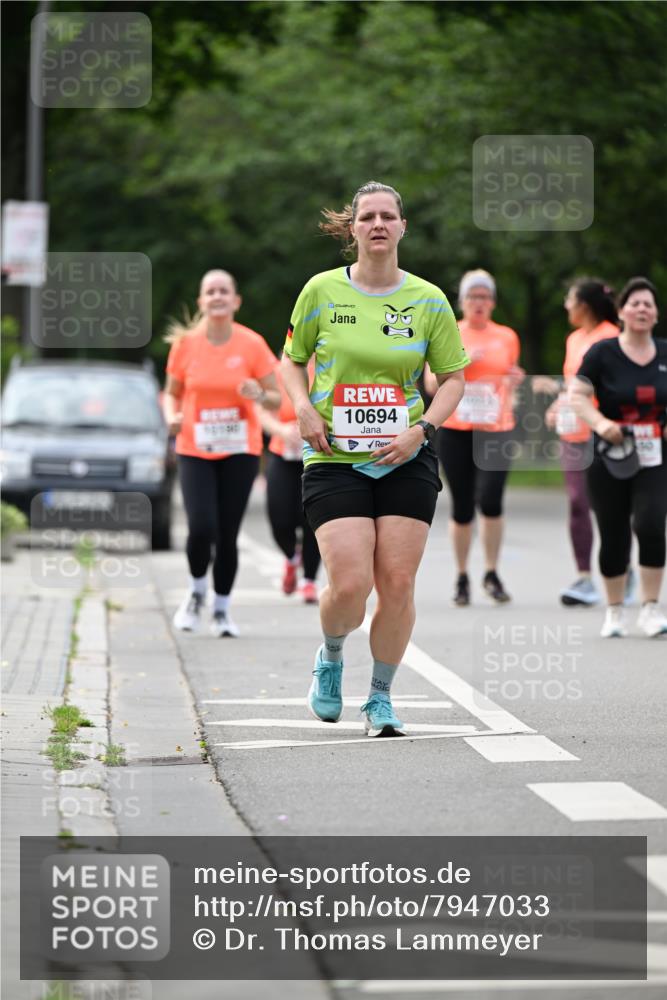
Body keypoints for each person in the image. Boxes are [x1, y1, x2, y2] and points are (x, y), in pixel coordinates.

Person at [281, 180, 469, 737]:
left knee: (398, 581)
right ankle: (332, 655)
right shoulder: (320, 291)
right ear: (354, 228)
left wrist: (424, 428)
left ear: (402, 227)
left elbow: (455, 379)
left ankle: (381, 696)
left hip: (405, 455)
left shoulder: (429, 300)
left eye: (389, 216)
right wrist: (302, 409)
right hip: (333, 456)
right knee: (349, 584)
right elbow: (289, 362)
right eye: (369, 217)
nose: (379, 224)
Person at [163, 269, 280, 636]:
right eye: (210, 291)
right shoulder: (185, 345)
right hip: (194, 448)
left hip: (239, 449)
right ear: (201, 301)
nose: (217, 296)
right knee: (201, 527)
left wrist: (258, 394)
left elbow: (277, 396)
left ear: (235, 301)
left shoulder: (252, 344)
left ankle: (222, 610)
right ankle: (197, 592)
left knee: (227, 532)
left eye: (224, 291)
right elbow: (171, 392)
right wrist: (172, 417)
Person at [570, 277, 667, 638]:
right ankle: (614, 611)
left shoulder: (664, 352)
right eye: (635, 303)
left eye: (649, 304)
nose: (642, 309)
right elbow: (577, 394)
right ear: (622, 311)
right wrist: (601, 423)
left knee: (651, 523)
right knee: (613, 533)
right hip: (609, 454)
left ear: (656, 315)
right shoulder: (602, 352)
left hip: (655, 454)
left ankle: (651, 608)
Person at [424, 269, 524, 606]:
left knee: (492, 500)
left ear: (492, 302)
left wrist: (514, 378)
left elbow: (510, 373)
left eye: (484, 296)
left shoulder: (507, 336)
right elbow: (430, 384)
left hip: (496, 427)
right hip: (455, 428)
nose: (478, 302)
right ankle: (462, 575)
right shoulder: (449, 331)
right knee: (462, 505)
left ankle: (492, 572)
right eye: (472, 296)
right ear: (462, 302)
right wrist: (465, 363)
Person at [532, 277, 620, 606]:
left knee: (610, 507)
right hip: (573, 434)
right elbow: (574, 385)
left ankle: (620, 570)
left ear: (583, 305)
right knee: (578, 503)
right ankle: (584, 578)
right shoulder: (573, 340)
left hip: (604, 434)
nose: (566, 306)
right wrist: (559, 403)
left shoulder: (612, 337)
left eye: (570, 300)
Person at [258, 359, 321, 603]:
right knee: (280, 518)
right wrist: (281, 430)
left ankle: (309, 581)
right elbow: (262, 412)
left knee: (312, 518)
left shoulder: (331, 363)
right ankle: (292, 558)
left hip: (318, 453)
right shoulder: (277, 370)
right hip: (282, 453)